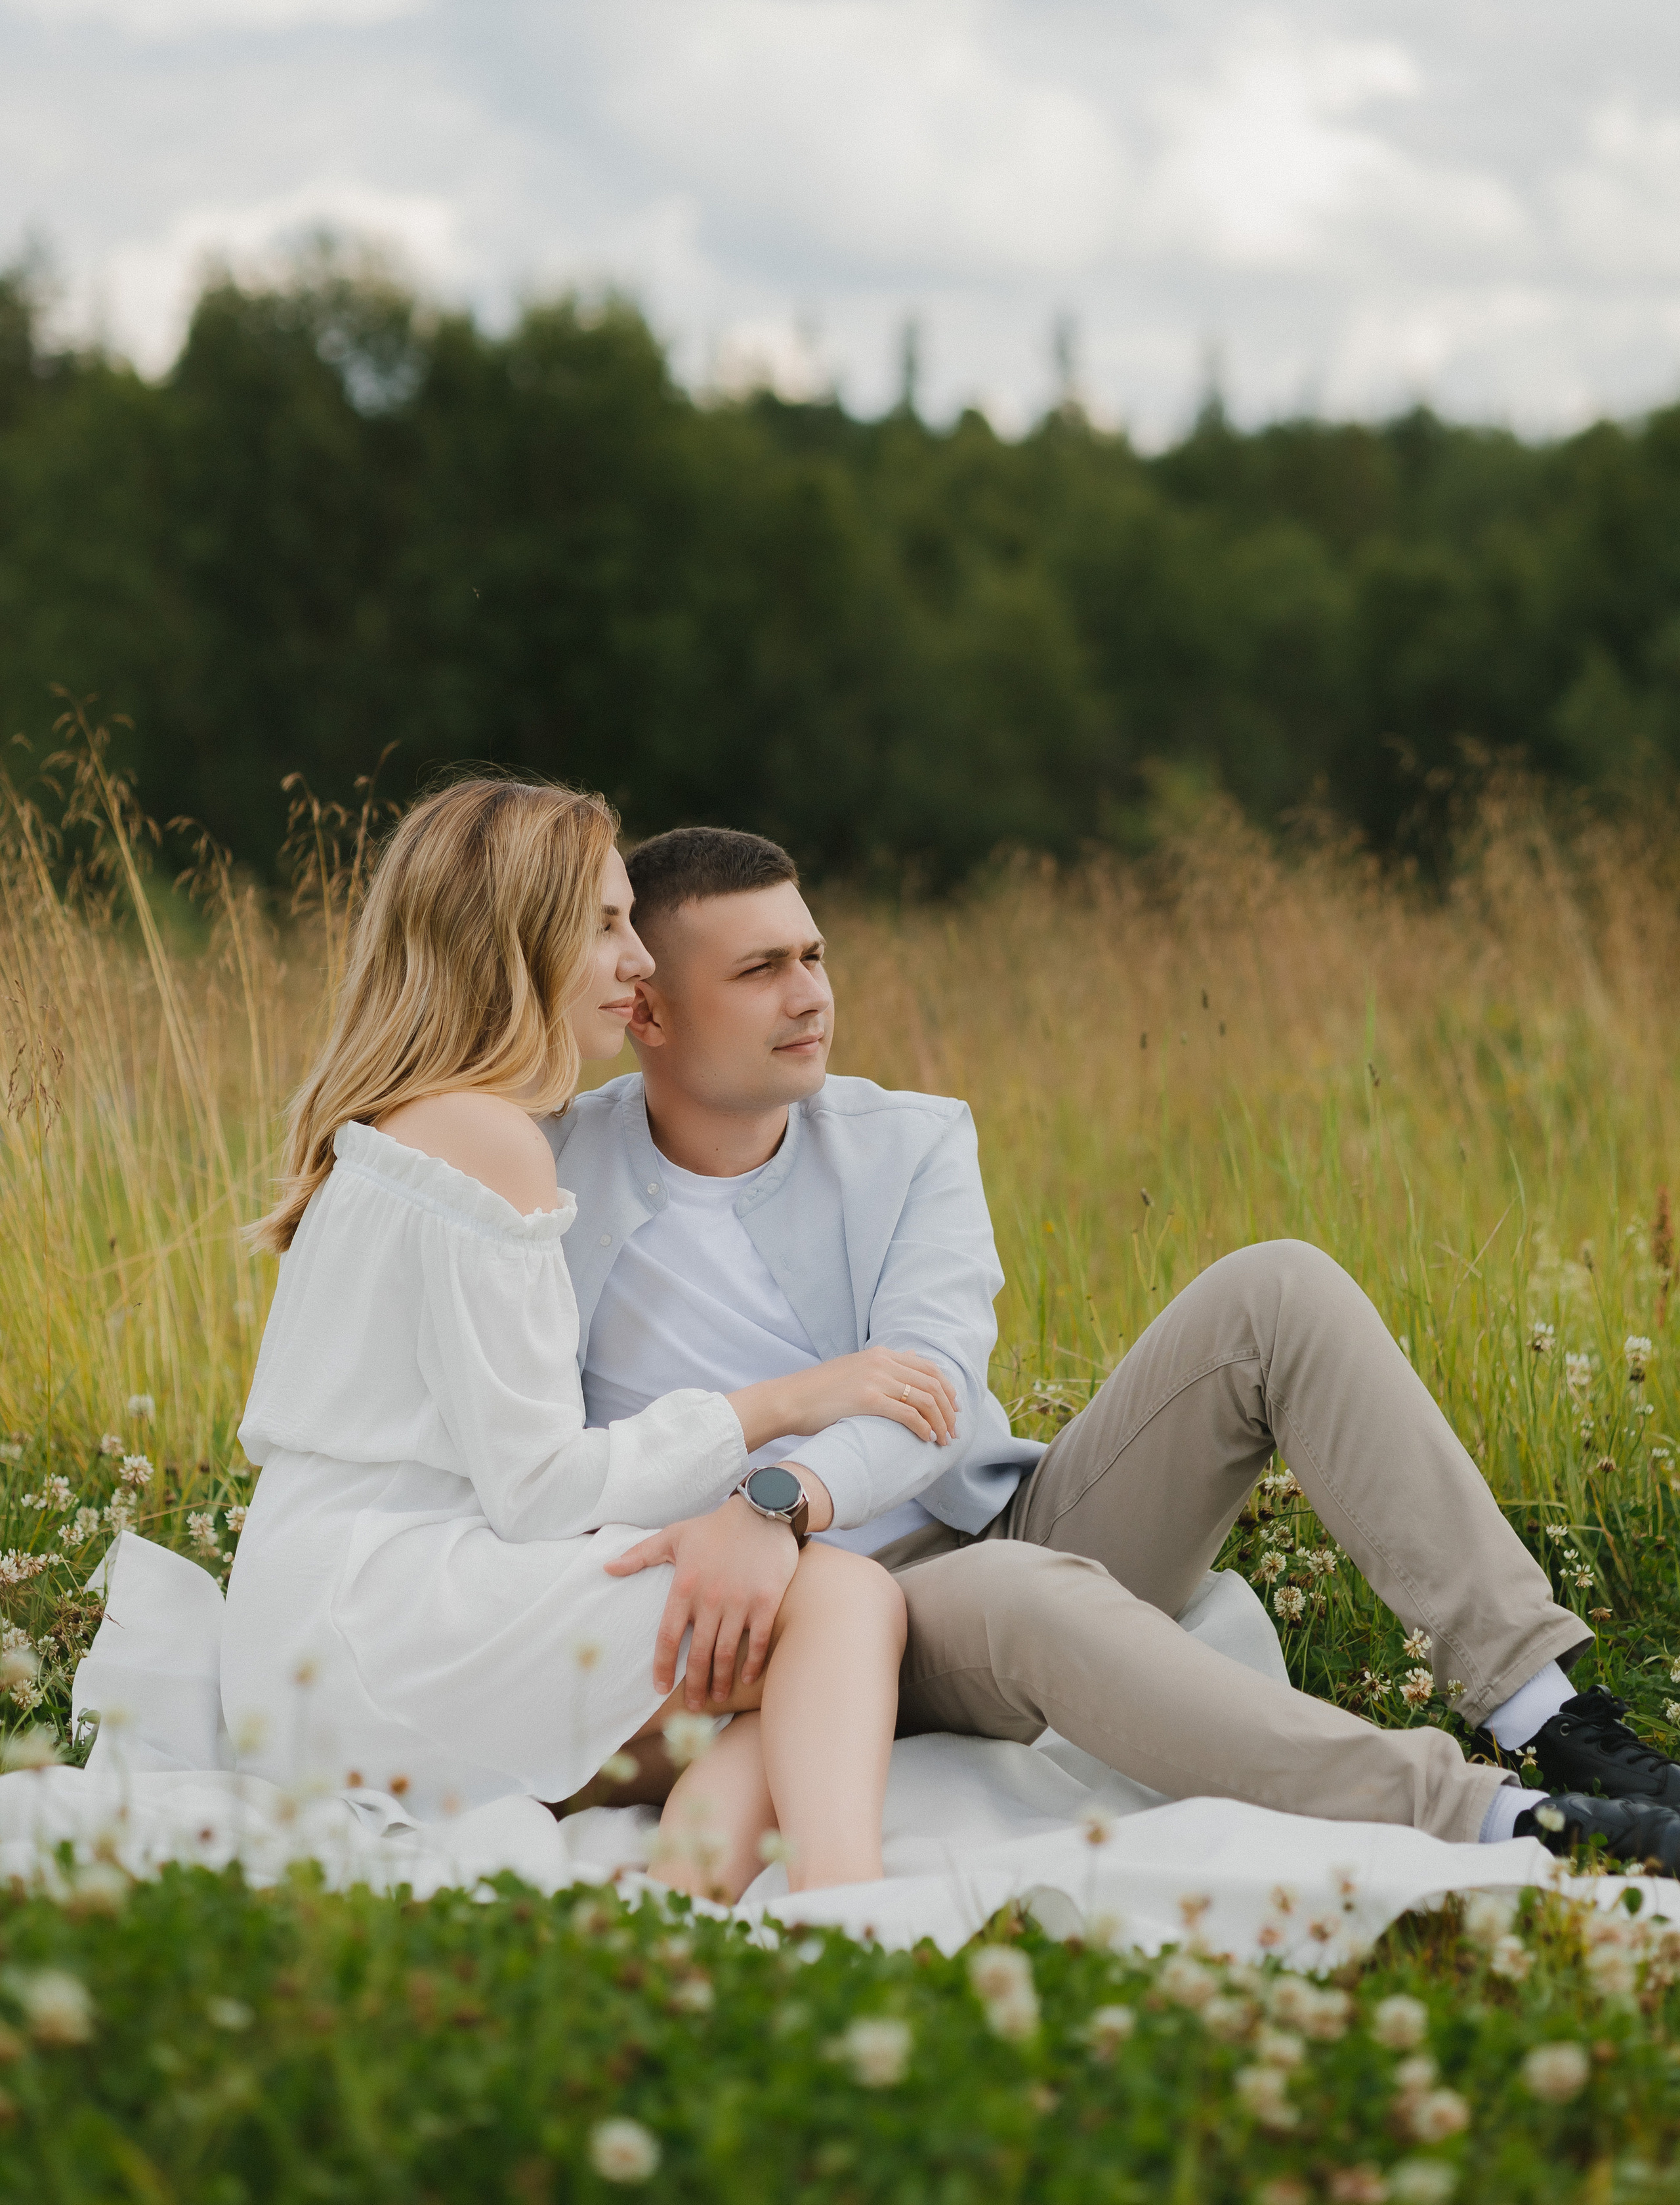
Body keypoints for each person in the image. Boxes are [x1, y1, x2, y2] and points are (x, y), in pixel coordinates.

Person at [551, 823, 1680, 1875]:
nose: (811, 997)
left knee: (1277, 1288)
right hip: (806, 1620)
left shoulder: (911, 1141)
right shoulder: (553, 1172)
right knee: (1023, 1594)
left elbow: (931, 1389)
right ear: (645, 1012)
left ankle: (1549, 1718)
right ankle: (1492, 1817)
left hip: (974, 1519)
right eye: (760, 972)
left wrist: (779, 1497)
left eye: (814, 954)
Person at [223, 778, 914, 1901]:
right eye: (603, 925)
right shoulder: (485, 1137)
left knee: (771, 1652)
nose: (638, 959)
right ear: (514, 942)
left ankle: (685, 1905)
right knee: (838, 1598)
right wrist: (790, 1401)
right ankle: (852, 1905)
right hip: (384, 1620)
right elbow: (538, 1489)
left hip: (304, 1638)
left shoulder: (408, 1124)